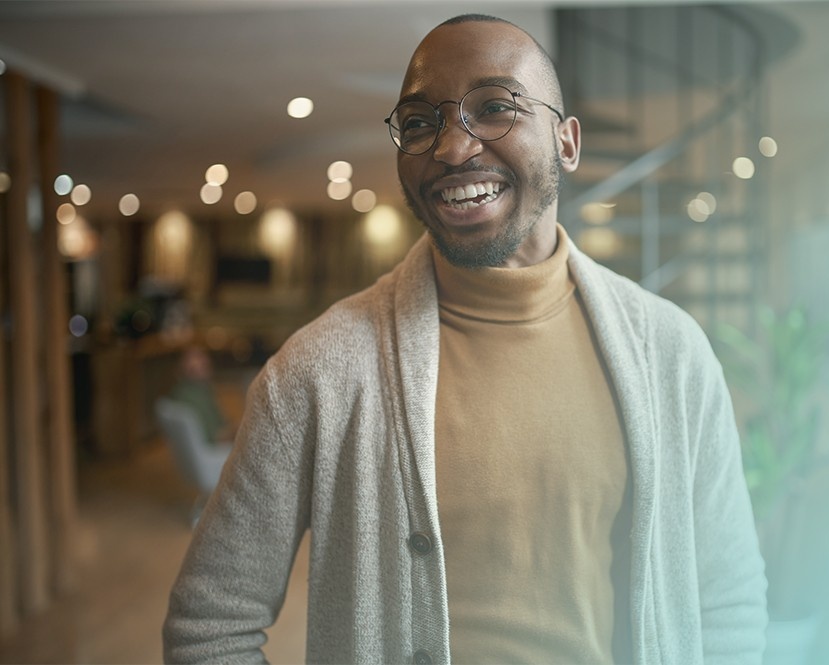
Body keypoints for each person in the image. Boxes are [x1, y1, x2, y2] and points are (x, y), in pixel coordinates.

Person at [163, 14, 767, 664]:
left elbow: (726, 602)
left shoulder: (672, 354)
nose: (451, 148)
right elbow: (210, 627)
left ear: (566, 142)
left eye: (496, 107)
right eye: (419, 122)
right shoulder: (317, 371)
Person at [169, 345, 233, 445]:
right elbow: (216, 437)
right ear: (181, 365)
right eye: (195, 357)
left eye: (202, 355)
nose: (204, 360)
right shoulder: (194, 397)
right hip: (216, 449)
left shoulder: (186, 390)